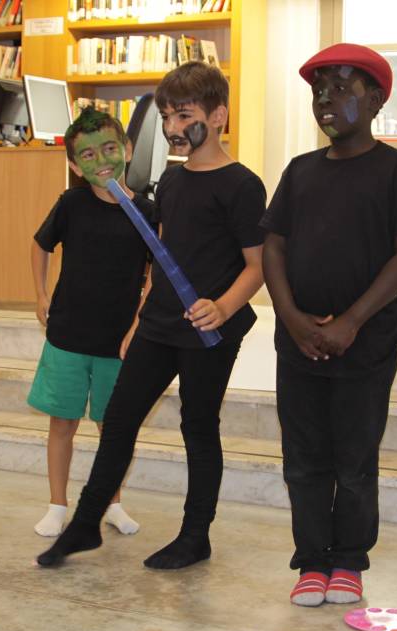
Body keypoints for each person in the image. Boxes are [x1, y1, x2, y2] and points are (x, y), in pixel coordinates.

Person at [36, 61, 266, 570]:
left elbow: (258, 265)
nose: (172, 128)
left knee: (198, 427)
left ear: (218, 116)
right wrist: (141, 318)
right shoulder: (173, 182)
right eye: (165, 117)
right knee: (119, 419)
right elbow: (163, 257)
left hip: (209, 331)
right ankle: (85, 525)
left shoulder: (242, 185)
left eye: (184, 116)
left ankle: (195, 536)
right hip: (159, 323)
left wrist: (223, 306)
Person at [260, 43, 397, 606]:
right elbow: (273, 247)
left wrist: (353, 321)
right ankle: (312, 560)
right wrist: (291, 318)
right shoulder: (300, 172)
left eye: (341, 89)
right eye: (319, 91)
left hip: (367, 343)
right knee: (303, 457)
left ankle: (349, 562)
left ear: (377, 99)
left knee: (355, 458)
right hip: (299, 343)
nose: (325, 100)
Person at [28, 107, 153, 538]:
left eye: (109, 148)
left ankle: (111, 503)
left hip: (117, 343)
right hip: (67, 336)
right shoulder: (72, 204)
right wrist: (41, 294)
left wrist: (138, 323)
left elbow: (157, 273)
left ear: (127, 149)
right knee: (62, 422)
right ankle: (57, 504)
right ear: (74, 165)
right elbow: (40, 245)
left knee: (112, 427)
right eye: (87, 154)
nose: (101, 160)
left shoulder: (147, 211)